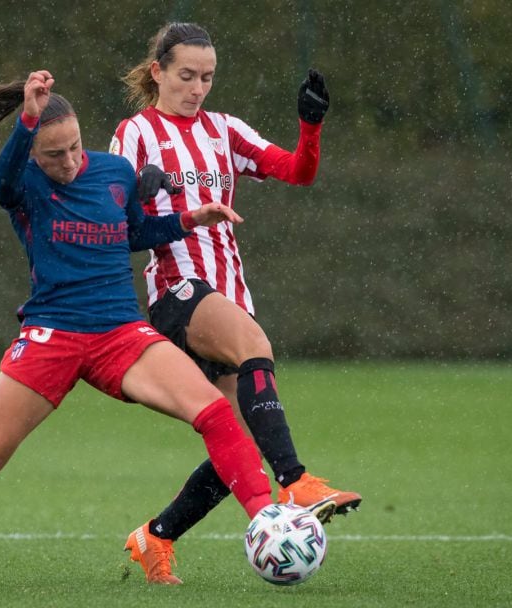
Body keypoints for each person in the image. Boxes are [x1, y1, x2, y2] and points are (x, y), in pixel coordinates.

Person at [0, 70, 298, 588]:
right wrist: (28, 116)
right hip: (50, 336)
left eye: (75, 147)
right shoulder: (22, 183)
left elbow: (135, 234)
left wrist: (190, 220)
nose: (70, 161)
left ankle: (265, 518)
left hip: (121, 333)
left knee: (214, 411)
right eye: (54, 154)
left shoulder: (116, 172)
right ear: (33, 153)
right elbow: (5, 176)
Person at [111, 22, 362, 584]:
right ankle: (296, 481)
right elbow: (120, 230)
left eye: (207, 77)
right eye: (186, 76)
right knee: (255, 345)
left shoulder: (224, 130)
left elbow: (298, 171)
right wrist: (151, 200)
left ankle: (154, 537)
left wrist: (311, 125)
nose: (198, 88)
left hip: (228, 293)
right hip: (178, 290)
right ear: (158, 73)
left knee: (236, 444)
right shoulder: (135, 135)